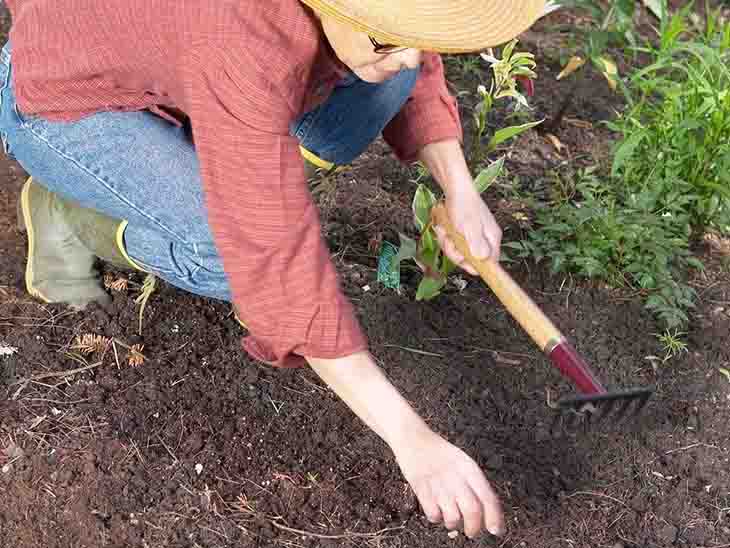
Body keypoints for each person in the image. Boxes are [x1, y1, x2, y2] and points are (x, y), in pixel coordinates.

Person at [0, 0, 546, 539]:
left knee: (386, 84)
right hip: (69, 103)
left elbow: (414, 49)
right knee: (226, 248)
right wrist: (414, 440)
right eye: (387, 41)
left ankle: (213, 163)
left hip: (185, 65)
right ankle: (73, 215)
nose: (407, 56)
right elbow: (273, 261)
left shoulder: (362, 26)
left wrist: (460, 191)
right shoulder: (238, 40)